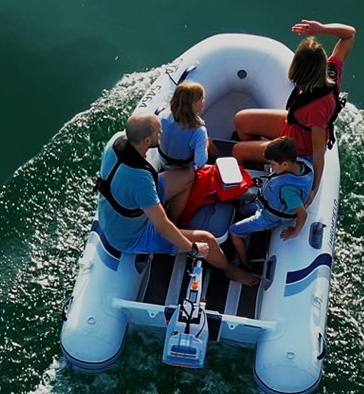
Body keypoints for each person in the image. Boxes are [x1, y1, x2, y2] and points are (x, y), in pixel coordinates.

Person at [95, 114, 259, 286]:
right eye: (158, 132)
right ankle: (230, 270)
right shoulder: (140, 180)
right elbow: (161, 225)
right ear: (145, 140)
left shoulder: (116, 142)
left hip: (125, 199)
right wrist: (193, 249)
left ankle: (177, 223)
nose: (162, 133)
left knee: (188, 176)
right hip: (132, 235)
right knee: (207, 240)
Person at [233, 19, 355, 203]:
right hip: (293, 126)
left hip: (298, 148)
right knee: (241, 120)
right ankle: (261, 164)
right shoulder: (331, 70)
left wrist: (314, 189)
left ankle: (254, 188)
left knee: (238, 151)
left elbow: (317, 150)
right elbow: (349, 34)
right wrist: (321, 29)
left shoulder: (317, 108)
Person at [228, 137, 313, 269]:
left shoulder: (288, 190)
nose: (270, 167)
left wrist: (295, 231)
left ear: (285, 164)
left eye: (272, 164)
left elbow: (302, 213)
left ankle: (245, 265)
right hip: (263, 205)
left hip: (269, 217)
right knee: (241, 212)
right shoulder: (302, 164)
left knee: (233, 231)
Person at [156, 82, 211, 224]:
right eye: (201, 99)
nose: (203, 101)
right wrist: (206, 145)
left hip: (164, 163)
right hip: (183, 170)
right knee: (190, 177)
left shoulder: (163, 115)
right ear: (192, 104)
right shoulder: (198, 131)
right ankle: (175, 221)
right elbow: (200, 162)